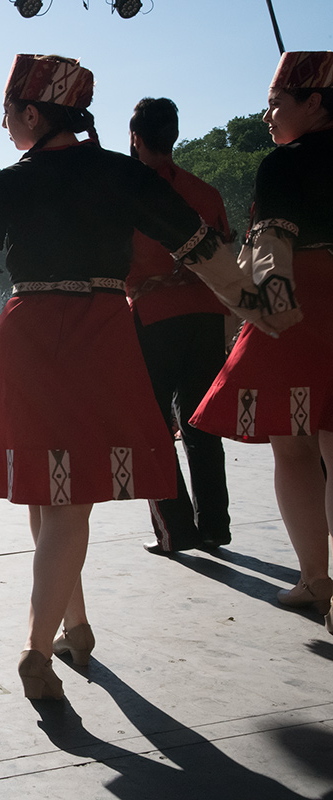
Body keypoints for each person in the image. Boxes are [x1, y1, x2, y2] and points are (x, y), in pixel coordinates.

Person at [0, 54, 277, 701]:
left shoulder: (16, 180)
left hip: (33, 333)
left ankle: (38, 649)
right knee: (61, 495)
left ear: (32, 113)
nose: (4, 121)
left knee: (52, 494)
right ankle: (75, 625)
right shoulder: (121, 174)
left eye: (9, 110)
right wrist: (252, 300)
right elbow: (200, 245)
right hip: (101, 330)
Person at [192, 51, 333, 633]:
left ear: (314, 102)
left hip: (305, 303)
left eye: (277, 102)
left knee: (295, 443)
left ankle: (317, 579)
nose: (268, 113)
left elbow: (272, 242)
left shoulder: (282, 165)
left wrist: (272, 293)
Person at [126, 97, 234, 555]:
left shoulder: (127, 196)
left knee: (149, 426)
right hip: (207, 314)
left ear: (134, 138)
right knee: (200, 421)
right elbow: (225, 255)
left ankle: (175, 530)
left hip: (154, 320)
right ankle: (214, 525)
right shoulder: (206, 194)